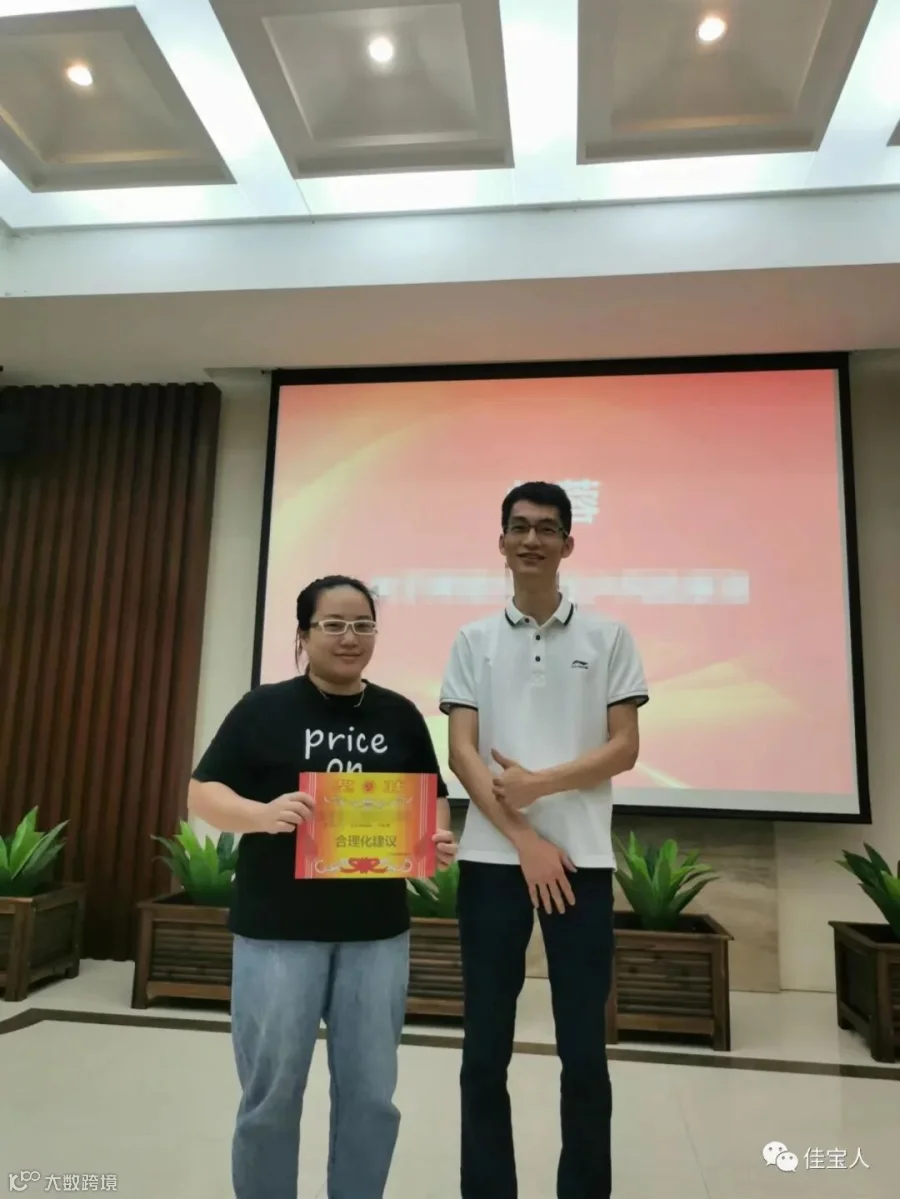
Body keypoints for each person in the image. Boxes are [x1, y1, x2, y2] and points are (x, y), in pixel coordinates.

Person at [189, 575, 456, 1199]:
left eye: (363, 624)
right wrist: (261, 815)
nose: (349, 637)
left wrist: (435, 842)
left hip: (375, 935)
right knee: (271, 1096)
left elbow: (433, 800)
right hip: (277, 931)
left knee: (372, 1096)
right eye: (333, 624)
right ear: (303, 634)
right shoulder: (264, 708)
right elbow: (203, 792)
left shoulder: (399, 715)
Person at [440, 481, 649, 1199]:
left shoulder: (608, 636)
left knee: (584, 1053)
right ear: (501, 541)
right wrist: (524, 836)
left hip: (582, 862)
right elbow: (462, 753)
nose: (532, 539)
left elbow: (624, 746)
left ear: (568, 543)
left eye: (547, 528)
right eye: (520, 527)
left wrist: (541, 784)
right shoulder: (472, 639)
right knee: (483, 1051)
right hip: (493, 860)